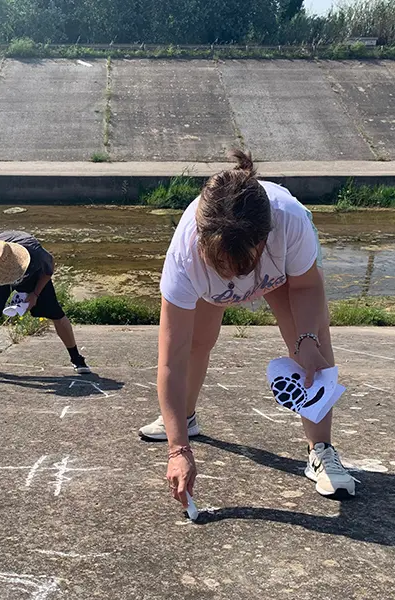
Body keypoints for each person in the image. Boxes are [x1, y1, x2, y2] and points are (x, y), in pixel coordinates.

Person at [139, 150, 356, 503]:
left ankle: (321, 450)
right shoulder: (184, 256)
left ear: (265, 238)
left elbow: (305, 286)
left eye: (245, 261)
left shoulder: (290, 219)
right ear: (203, 241)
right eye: (223, 263)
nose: (237, 275)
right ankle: (184, 419)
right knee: (197, 344)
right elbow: (171, 359)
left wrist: (307, 338)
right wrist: (178, 450)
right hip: (210, 290)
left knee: (313, 349)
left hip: (281, 279)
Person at [0, 231, 91, 375]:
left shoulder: (34, 253)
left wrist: (35, 294)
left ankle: (76, 358)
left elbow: (49, 269)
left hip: (32, 274)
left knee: (55, 313)